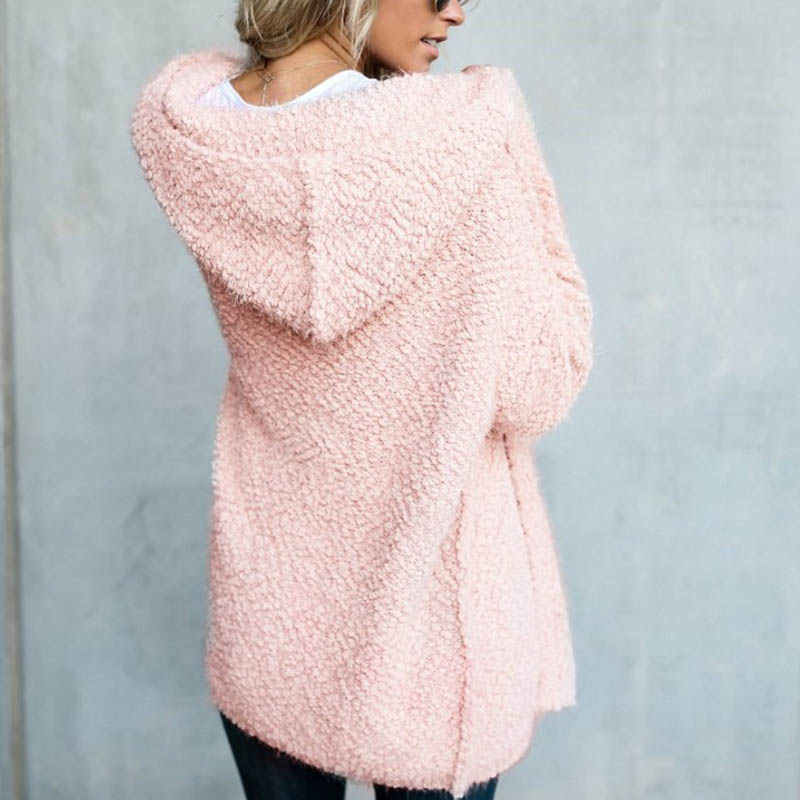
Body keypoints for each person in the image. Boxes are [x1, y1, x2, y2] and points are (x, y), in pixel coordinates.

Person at [129, 0, 594, 796]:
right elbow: (541, 382)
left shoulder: (202, 130)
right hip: (435, 624)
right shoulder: (462, 136)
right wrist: (512, 151)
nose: (457, 11)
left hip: (274, 605)